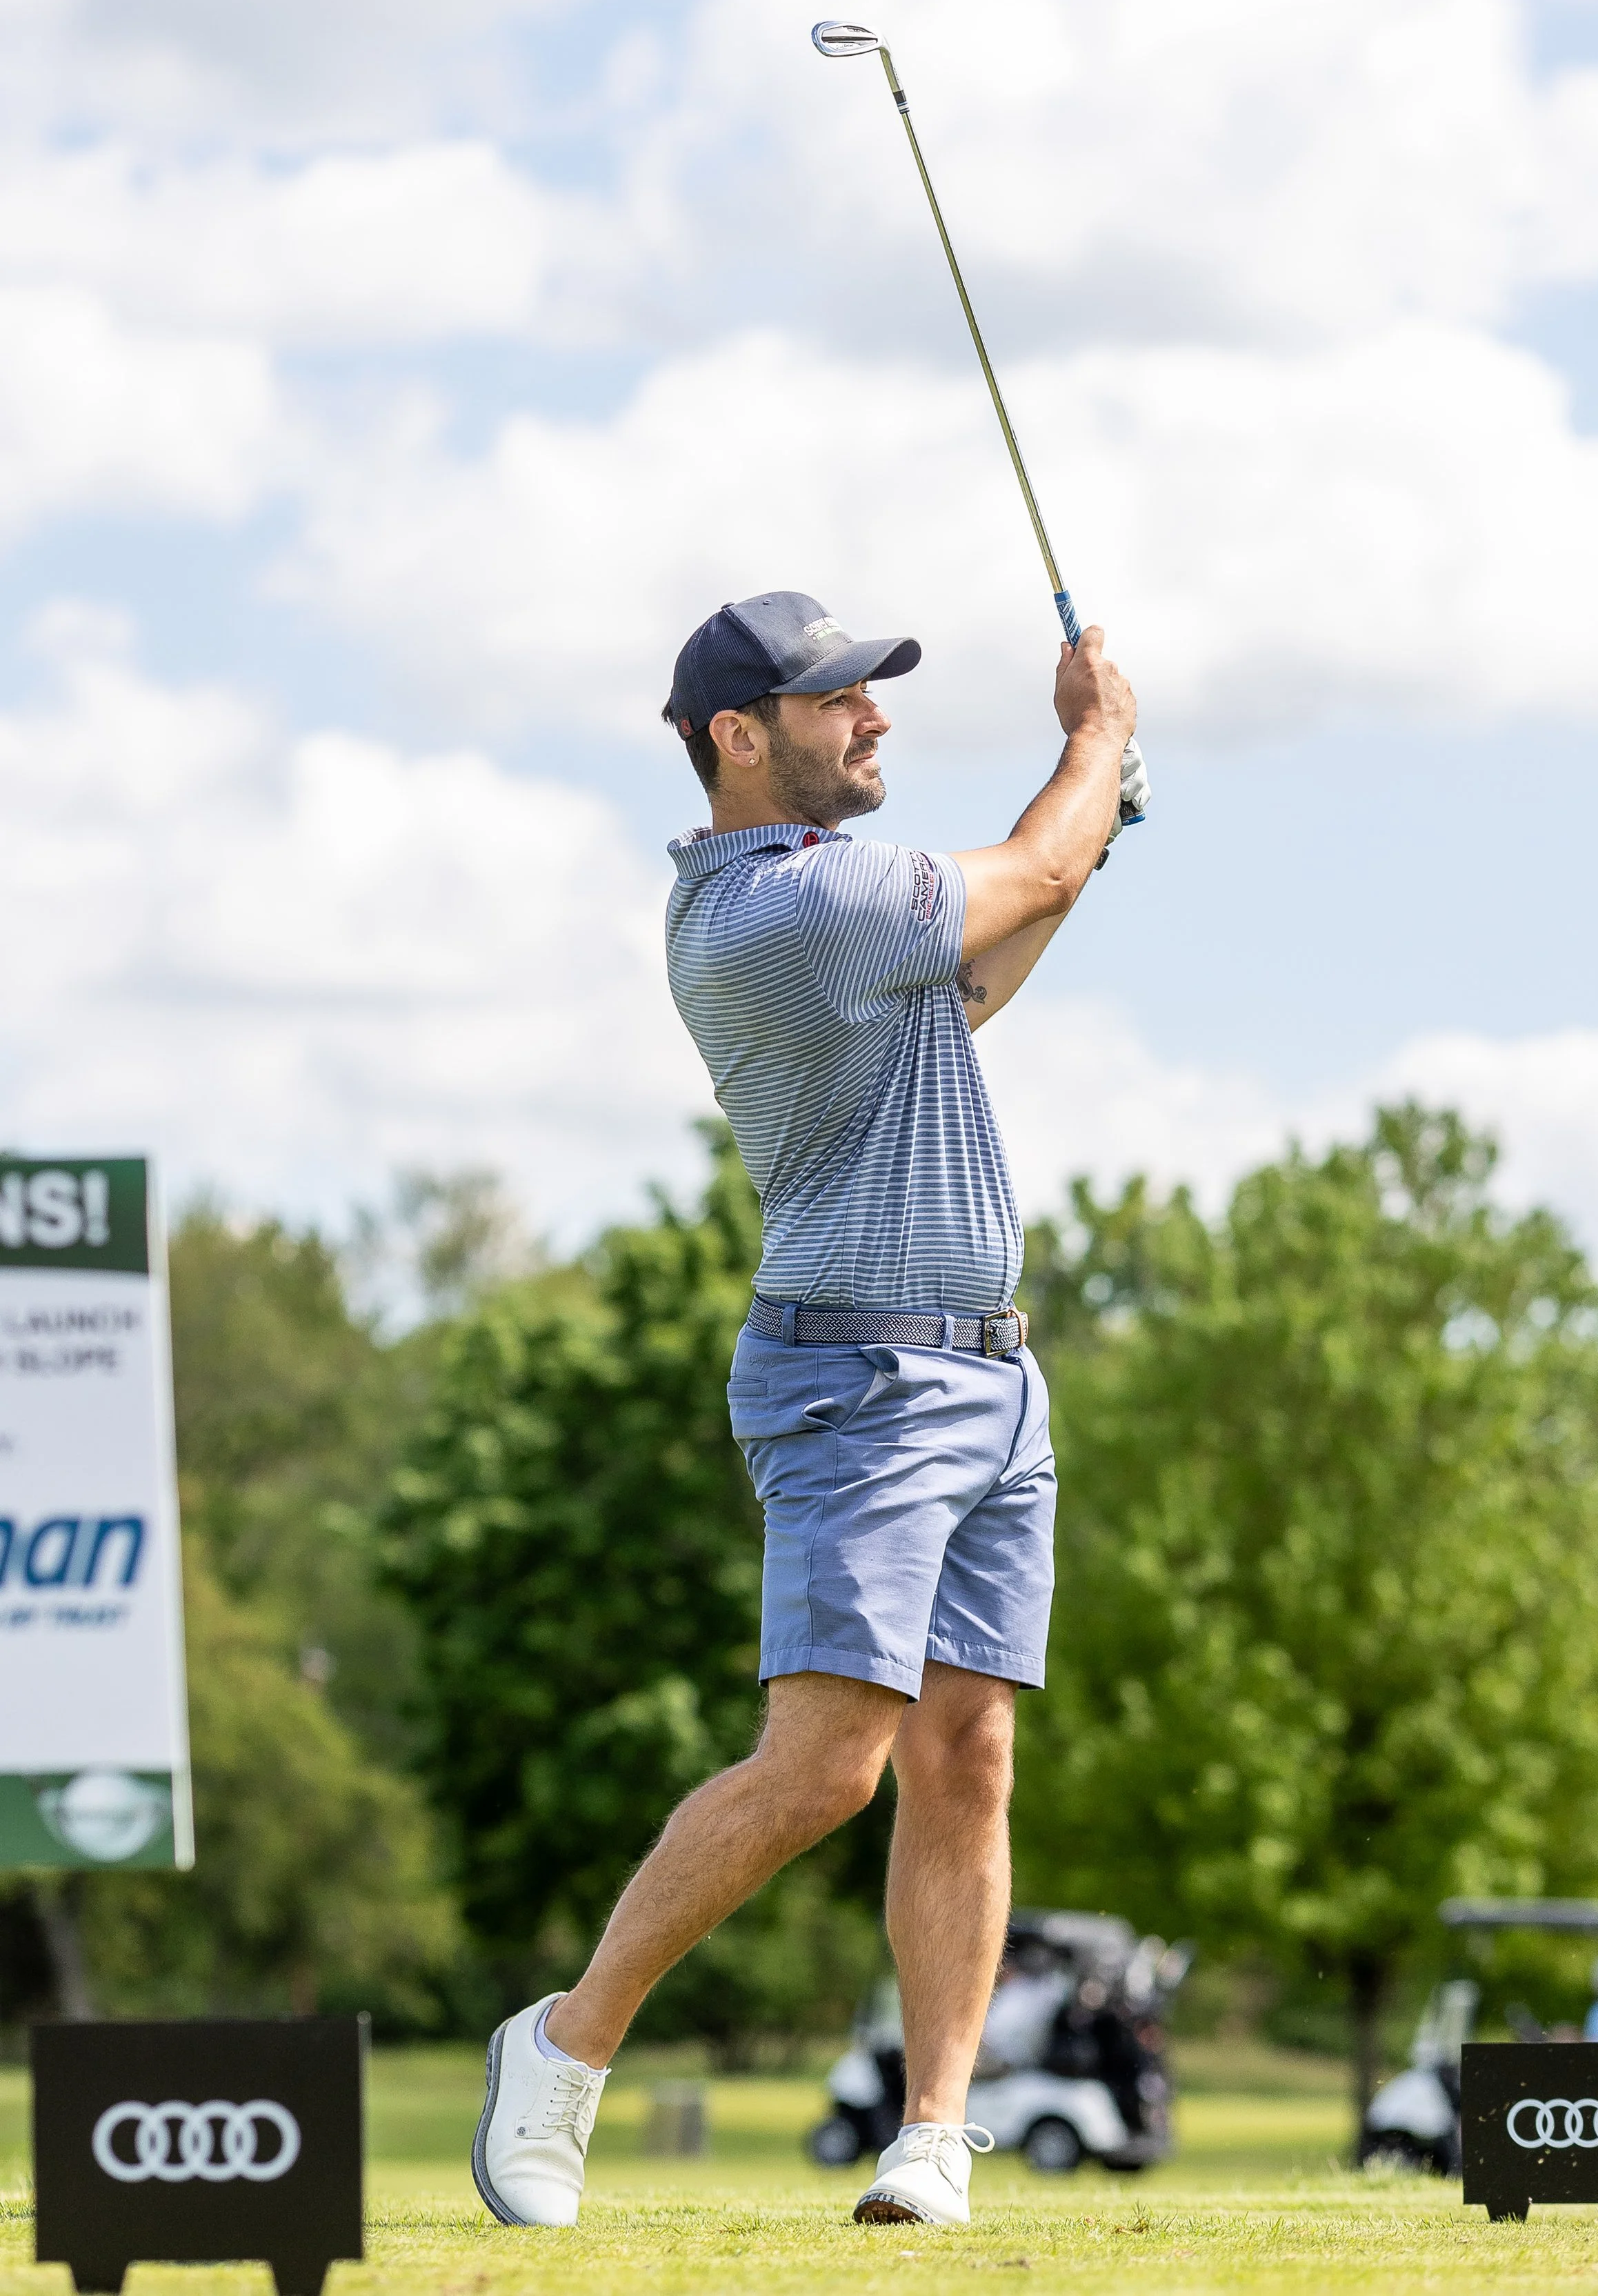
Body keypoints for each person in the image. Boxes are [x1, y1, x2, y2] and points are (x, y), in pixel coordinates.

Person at [472, 588, 1139, 2231]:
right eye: (840, 698)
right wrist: (1095, 742)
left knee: (966, 1752)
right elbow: (1030, 868)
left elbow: (975, 979)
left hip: (989, 1373)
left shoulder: (844, 918)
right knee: (828, 1762)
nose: (874, 718)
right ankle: (561, 2046)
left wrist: (1087, 829)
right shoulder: (781, 907)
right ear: (738, 738)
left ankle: (931, 2129)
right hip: (860, 1377)